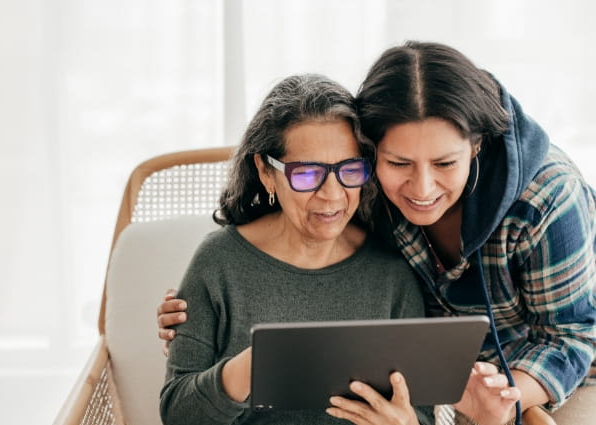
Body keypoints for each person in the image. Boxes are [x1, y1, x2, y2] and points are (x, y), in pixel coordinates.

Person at [158, 41, 596, 424]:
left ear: (475, 147)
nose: (421, 189)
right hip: (462, 375)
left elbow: (574, 334)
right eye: (399, 163)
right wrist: (223, 348)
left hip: (549, 372)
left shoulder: (545, 201)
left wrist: (499, 399)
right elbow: (181, 405)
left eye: (444, 163)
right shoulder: (357, 197)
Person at [160, 73, 441, 425]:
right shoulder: (219, 261)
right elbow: (177, 413)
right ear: (265, 171)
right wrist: (252, 366)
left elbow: (423, 413)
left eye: (349, 170)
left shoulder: (391, 269)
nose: (332, 194)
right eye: (307, 174)